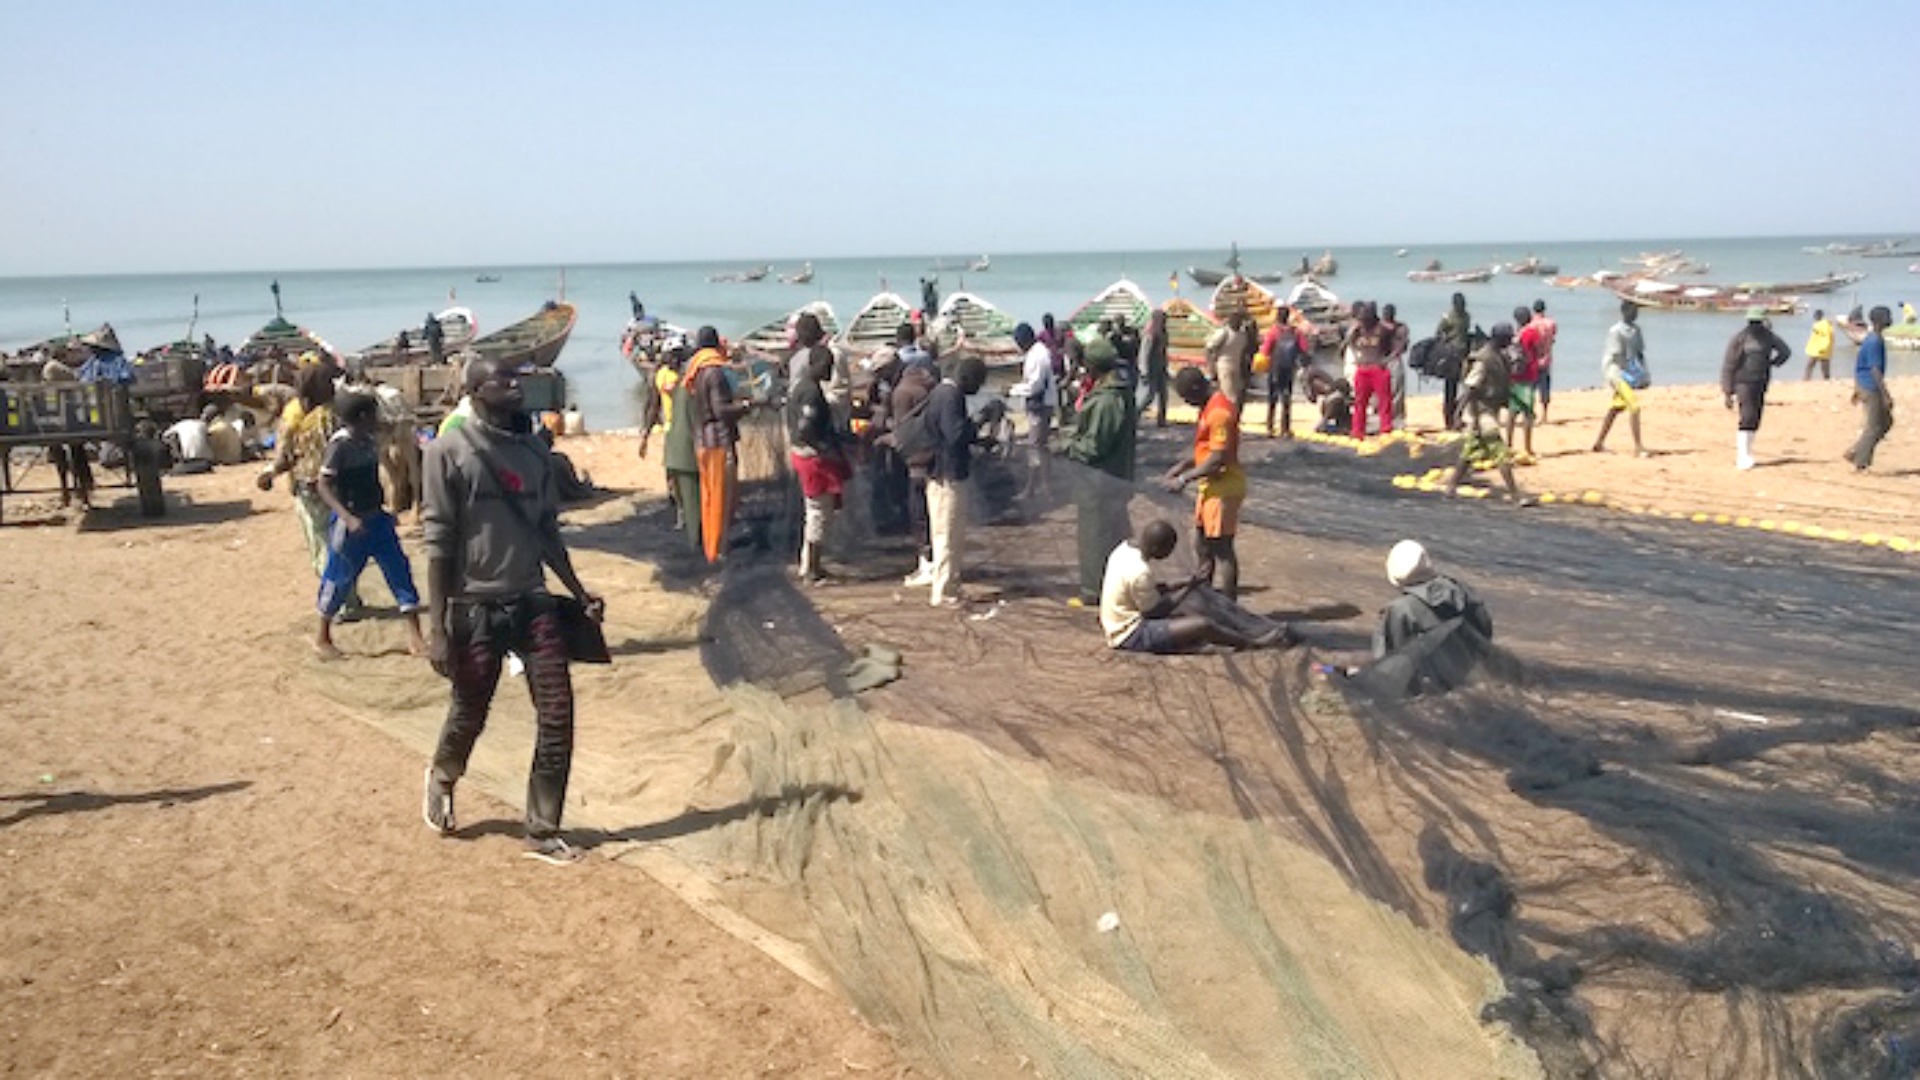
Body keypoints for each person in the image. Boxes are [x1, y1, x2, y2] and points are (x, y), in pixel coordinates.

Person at [421, 354, 603, 865]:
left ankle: (542, 828)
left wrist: (578, 590)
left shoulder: (532, 452)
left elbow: (546, 530)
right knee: (470, 707)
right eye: (502, 379)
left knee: (558, 712)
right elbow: (438, 543)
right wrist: (437, 627)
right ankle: (442, 773)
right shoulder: (447, 452)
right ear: (476, 389)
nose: (514, 385)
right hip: (474, 604)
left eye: (516, 377)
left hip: (532, 598)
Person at [313, 392, 428, 660]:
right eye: (374, 415)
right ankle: (322, 636)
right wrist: (347, 517)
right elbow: (324, 484)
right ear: (363, 418)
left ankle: (415, 636)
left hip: (377, 519)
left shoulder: (368, 439)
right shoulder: (340, 446)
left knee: (399, 570)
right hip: (351, 524)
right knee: (339, 577)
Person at [1100, 521, 1292, 653]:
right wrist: (1189, 587)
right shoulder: (1140, 571)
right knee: (1203, 624)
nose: (1168, 555)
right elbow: (1154, 612)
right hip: (1130, 634)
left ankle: (1191, 641)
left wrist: (1186, 582)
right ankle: (1253, 643)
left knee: (1188, 610)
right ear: (1158, 549)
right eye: (1168, 550)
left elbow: (1152, 590)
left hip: (1118, 620)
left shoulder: (1124, 549)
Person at [258, 365, 359, 611]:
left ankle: (339, 603)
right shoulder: (341, 413)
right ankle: (351, 598)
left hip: (311, 488)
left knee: (323, 547)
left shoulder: (300, 416)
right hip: (345, 488)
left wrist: (269, 474)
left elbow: (286, 457)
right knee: (343, 544)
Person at [1367, 540, 1494, 697]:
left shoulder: (1398, 611)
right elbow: (1485, 633)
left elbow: (1386, 667)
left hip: (1425, 689)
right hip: (1464, 677)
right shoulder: (1465, 593)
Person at [1162, 366, 1246, 600]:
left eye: (1188, 398)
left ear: (1197, 389)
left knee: (1222, 548)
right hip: (1210, 486)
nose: (1188, 403)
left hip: (1224, 487)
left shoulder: (1219, 413)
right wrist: (1184, 465)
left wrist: (1183, 479)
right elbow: (1207, 452)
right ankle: (1205, 594)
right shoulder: (1208, 408)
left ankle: (1229, 604)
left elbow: (1218, 458)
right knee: (1202, 543)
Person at [1063, 339, 1136, 605]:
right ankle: (1116, 588)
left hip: (1099, 482)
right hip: (1116, 477)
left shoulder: (1107, 400)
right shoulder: (1122, 392)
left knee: (1095, 537)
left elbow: (1094, 446)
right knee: (1115, 536)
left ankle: (1093, 591)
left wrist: (1067, 445)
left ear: (1092, 367)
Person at [922, 354, 988, 607]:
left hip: (943, 472)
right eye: (978, 383)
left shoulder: (940, 392)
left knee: (950, 533)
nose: (977, 389)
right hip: (947, 475)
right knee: (947, 534)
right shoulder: (951, 396)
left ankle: (951, 584)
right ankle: (944, 591)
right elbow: (955, 434)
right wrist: (979, 422)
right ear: (967, 378)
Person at [787, 328, 851, 584]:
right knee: (819, 513)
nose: (830, 372)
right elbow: (807, 427)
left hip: (800, 453)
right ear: (820, 365)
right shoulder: (812, 393)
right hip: (812, 457)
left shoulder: (797, 388)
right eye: (828, 366)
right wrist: (826, 448)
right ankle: (812, 569)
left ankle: (809, 565)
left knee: (815, 511)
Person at [1445, 323, 1529, 503]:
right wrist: (1459, 414)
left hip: (1489, 410)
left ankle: (1451, 485)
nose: (1510, 341)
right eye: (1508, 338)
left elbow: (1505, 380)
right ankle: (1515, 494)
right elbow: (1470, 389)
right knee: (1500, 451)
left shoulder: (1498, 356)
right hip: (1480, 412)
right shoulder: (1483, 359)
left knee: (1470, 452)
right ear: (1500, 339)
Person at [685, 326, 749, 562]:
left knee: (709, 495)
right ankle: (719, 550)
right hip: (718, 442)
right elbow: (721, 410)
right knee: (721, 497)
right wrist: (745, 407)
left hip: (703, 440)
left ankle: (711, 547)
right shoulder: (715, 372)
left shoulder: (697, 370)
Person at [891, 343, 940, 584]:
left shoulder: (901, 393)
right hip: (934, 456)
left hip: (916, 461)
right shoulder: (928, 388)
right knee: (932, 511)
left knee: (917, 512)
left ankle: (926, 563)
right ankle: (934, 560)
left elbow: (901, 432)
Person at [1721, 308, 1792, 471]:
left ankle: (1748, 452)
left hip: (1761, 381)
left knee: (1756, 417)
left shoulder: (1768, 337)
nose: (1756, 325)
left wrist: (1773, 363)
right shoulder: (1740, 339)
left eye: (1758, 322)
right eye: (1753, 322)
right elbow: (1729, 365)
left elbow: (1785, 351)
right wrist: (1727, 392)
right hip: (1742, 382)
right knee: (1747, 415)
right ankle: (1742, 456)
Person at [862, 326, 912, 535]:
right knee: (880, 475)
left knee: (899, 476)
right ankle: (885, 516)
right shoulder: (883, 383)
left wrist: (887, 427)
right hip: (883, 434)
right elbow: (871, 402)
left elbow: (903, 421)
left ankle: (901, 516)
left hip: (899, 437)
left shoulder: (903, 386)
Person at [1593, 301, 1649, 457]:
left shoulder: (1636, 330)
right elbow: (1617, 356)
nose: (1635, 314)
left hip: (1629, 373)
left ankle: (1599, 442)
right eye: (1633, 311)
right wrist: (1624, 376)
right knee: (1634, 406)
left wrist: (1643, 374)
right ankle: (1638, 446)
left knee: (1616, 408)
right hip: (1616, 373)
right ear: (1625, 312)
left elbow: (1639, 354)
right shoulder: (1616, 331)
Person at [1844, 305, 1895, 472]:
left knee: (1886, 422)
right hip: (1871, 386)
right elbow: (1874, 369)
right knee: (1874, 426)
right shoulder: (1874, 341)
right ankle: (1861, 462)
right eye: (1888, 316)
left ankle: (1856, 451)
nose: (1891, 318)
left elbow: (1860, 364)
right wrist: (1885, 394)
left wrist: (1856, 388)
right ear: (1880, 320)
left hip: (1865, 384)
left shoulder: (1871, 339)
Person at [1013, 322, 1057, 502]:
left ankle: (1034, 489)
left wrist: (1012, 390)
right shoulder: (1036, 352)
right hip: (1040, 404)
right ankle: (1045, 488)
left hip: (1040, 406)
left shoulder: (1038, 356)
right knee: (1041, 447)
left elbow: (1035, 386)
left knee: (1034, 447)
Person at [1346, 302, 1393, 439]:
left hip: (1378, 367)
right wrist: (1357, 355)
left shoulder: (1383, 330)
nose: (1363, 321)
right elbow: (1349, 342)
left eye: (1365, 318)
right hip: (1362, 368)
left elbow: (1395, 345)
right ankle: (1357, 431)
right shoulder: (1358, 330)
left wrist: (1386, 359)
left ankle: (1386, 429)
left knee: (1384, 402)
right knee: (1360, 402)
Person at [1261, 305, 1307, 438]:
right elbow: (1304, 349)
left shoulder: (1273, 331)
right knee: (1286, 397)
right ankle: (1285, 429)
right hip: (1289, 368)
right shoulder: (1295, 332)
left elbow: (1265, 351)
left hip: (1275, 368)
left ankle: (1270, 427)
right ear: (1288, 317)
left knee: (1273, 398)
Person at [1206, 302, 1256, 414]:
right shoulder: (1224, 333)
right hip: (1224, 367)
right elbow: (1209, 349)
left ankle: (1232, 420)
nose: (1239, 323)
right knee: (1230, 397)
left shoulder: (1242, 334)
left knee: (1237, 396)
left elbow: (1250, 348)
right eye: (1237, 319)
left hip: (1237, 367)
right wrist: (1211, 368)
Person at [1509, 306, 1544, 460]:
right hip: (1528, 374)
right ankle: (1528, 447)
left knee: (1512, 413)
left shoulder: (1515, 334)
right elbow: (1539, 349)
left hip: (1514, 375)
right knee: (1528, 413)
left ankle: (1509, 444)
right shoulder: (1531, 332)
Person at [1435, 292, 1473, 429]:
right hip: (1453, 356)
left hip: (1461, 356)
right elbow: (1439, 334)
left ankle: (1454, 416)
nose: (1461, 306)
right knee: (1452, 388)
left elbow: (1463, 334)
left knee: (1463, 387)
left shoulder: (1463, 317)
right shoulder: (1451, 317)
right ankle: (1450, 419)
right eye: (1460, 303)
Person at [1140, 308, 1172, 428]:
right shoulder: (1150, 334)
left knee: (1164, 395)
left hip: (1161, 367)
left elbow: (1164, 352)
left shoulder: (1163, 333)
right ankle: (1134, 416)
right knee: (1149, 396)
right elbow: (1144, 353)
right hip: (1152, 367)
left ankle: (1161, 420)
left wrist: (1167, 367)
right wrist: (1144, 370)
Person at [1381, 303, 1410, 430]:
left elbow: (1403, 345)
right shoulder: (1379, 327)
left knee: (1397, 389)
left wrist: (1392, 356)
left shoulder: (1401, 328)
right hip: (1380, 359)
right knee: (1381, 391)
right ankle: (1383, 416)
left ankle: (1397, 418)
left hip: (1394, 359)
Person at [1529, 300, 1557, 424]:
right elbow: (1553, 338)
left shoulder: (1531, 324)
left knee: (1530, 389)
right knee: (1545, 388)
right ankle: (1544, 416)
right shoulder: (1551, 323)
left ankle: (1529, 413)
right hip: (1546, 360)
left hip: (1533, 360)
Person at [164, 407, 215, 473]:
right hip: (206, 462)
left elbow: (165, 437)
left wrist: (176, 455)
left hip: (188, 462)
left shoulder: (177, 426)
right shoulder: (202, 424)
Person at [1804, 309, 1835, 381]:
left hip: (1819, 349)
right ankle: (1826, 379)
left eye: (1815, 316)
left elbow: (1827, 337)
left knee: (1810, 365)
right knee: (1824, 366)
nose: (1815, 318)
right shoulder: (1824, 324)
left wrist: (1823, 347)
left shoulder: (1823, 325)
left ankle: (1806, 379)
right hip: (1820, 349)